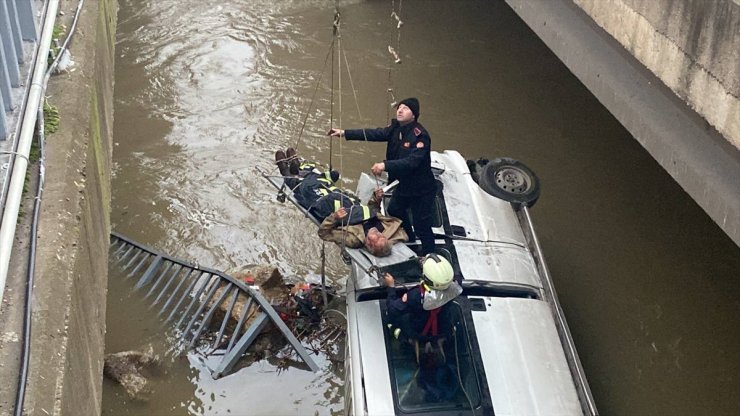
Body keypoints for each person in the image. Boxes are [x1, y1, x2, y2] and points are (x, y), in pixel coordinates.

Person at [328, 97, 437, 255]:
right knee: (394, 209)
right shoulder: (395, 128)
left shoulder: (420, 136)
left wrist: (385, 165)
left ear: (414, 115)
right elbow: (374, 133)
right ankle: (410, 239)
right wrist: (344, 133)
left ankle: (429, 255)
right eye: (399, 107)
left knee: (422, 224)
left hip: (421, 189)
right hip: (403, 185)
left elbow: (412, 162)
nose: (400, 110)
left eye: (405, 108)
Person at [274, 148, 407, 257]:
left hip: (327, 207)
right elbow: (370, 210)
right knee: (324, 182)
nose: (378, 234)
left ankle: (286, 171)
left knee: (306, 188)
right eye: (382, 237)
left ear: (369, 245)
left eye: (376, 239)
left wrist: (335, 217)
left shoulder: (353, 239)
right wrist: (376, 200)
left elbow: (324, 234)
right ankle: (297, 165)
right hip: (344, 199)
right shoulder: (384, 228)